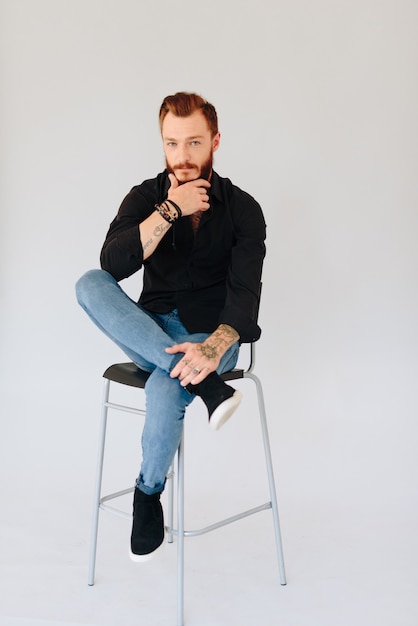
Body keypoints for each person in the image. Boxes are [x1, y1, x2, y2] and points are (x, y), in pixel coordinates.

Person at [76, 92, 266, 562]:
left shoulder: (244, 209)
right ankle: (209, 391)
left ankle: (147, 494)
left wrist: (211, 351)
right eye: (172, 144)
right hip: (152, 325)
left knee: (164, 386)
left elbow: (244, 299)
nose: (182, 157)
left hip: (213, 334)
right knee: (88, 283)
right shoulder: (145, 196)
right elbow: (112, 265)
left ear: (215, 141)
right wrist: (169, 210)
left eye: (194, 143)